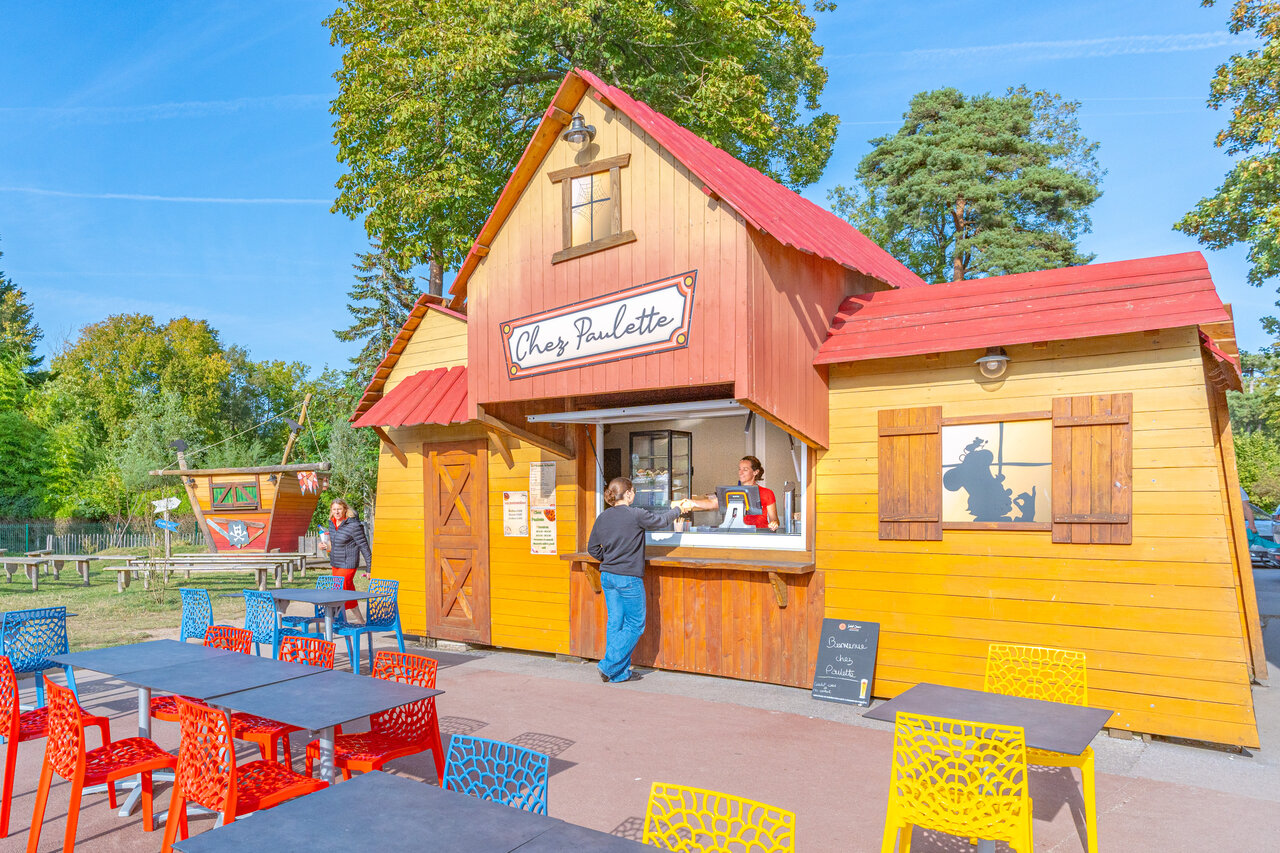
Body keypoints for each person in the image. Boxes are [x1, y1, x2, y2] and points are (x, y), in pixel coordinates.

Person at [587, 477, 685, 683]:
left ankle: (618, 673)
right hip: (628, 578)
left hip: (608, 576)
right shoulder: (636, 515)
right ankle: (608, 665)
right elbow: (660, 522)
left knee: (616, 622)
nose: (634, 495)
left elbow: (592, 549)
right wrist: (679, 510)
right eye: (633, 491)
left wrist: (610, 559)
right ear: (629, 493)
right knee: (635, 624)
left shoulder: (602, 517)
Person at [688, 455, 780, 530]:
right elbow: (713, 503)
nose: (740, 472)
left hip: (760, 535)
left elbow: (774, 520)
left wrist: (774, 524)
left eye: (745, 469)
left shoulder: (767, 493)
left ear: (755, 472)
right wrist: (693, 502)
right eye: (739, 469)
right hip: (738, 534)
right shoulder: (732, 492)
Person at [320, 497, 370, 624]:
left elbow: (364, 546)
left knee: (338, 592)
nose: (337, 512)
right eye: (334, 509)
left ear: (345, 510)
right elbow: (333, 545)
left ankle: (332, 622)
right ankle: (360, 620)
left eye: (339, 509)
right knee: (348, 593)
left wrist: (370, 569)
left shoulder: (354, 525)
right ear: (331, 510)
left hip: (348, 564)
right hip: (335, 563)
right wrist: (326, 546)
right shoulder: (331, 524)